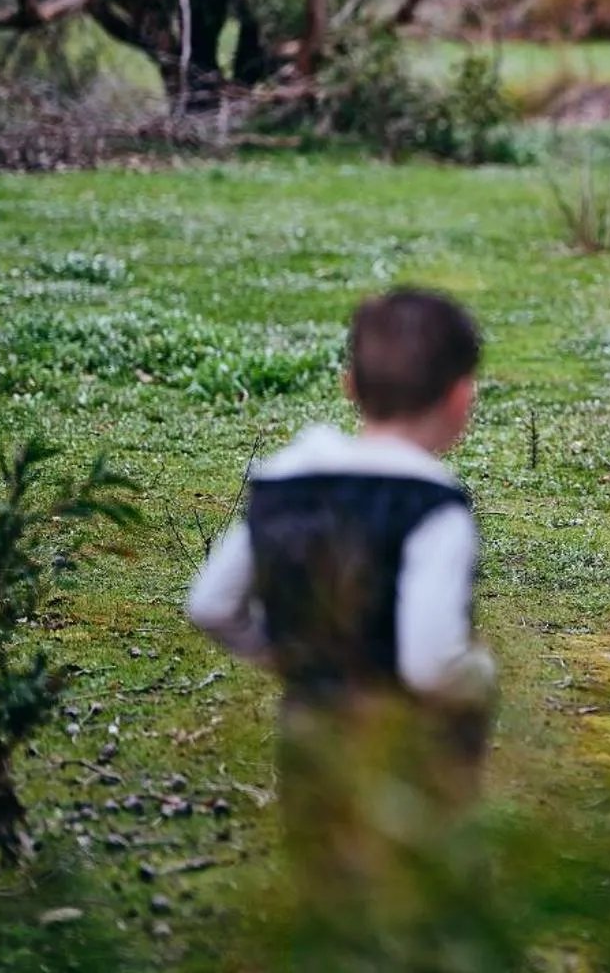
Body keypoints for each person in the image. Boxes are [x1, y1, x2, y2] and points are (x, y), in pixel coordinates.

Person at [185, 289, 495, 918]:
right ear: (463, 398)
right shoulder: (434, 507)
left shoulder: (283, 481)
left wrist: (284, 650)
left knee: (325, 892)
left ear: (350, 385)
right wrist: (477, 676)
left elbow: (211, 604)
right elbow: (430, 664)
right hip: (409, 746)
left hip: (310, 732)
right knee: (420, 901)